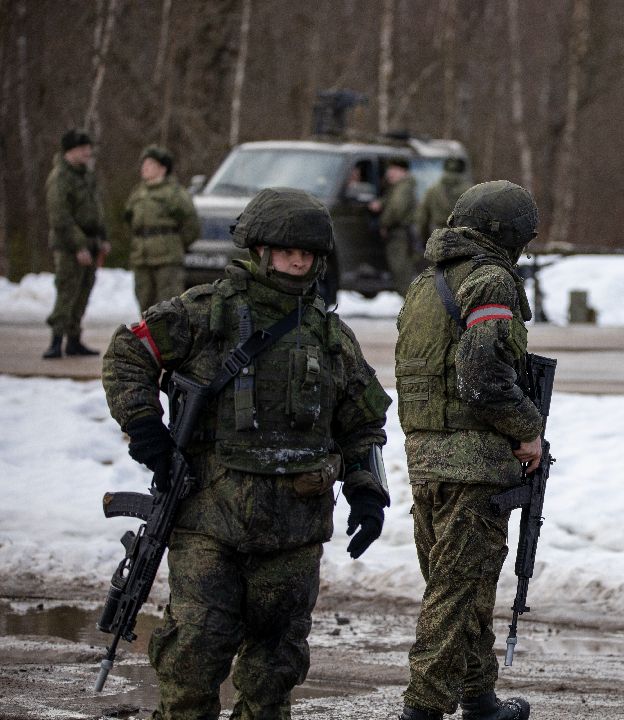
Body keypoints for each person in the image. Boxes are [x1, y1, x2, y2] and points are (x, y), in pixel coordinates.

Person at [101, 187, 392, 719]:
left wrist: (367, 492)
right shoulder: (208, 312)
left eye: (307, 253)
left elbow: (363, 423)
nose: (298, 261)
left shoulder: (331, 336)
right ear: (259, 250)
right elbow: (128, 353)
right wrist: (146, 428)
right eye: (287, 251)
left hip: (295, 533)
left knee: (274, 672)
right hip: (210, 522)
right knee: (193, 658)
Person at [395, 180, 542, 720]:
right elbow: (482, 375)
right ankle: (422, 710)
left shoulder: (425, 285)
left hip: (427, 459)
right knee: (455, 598)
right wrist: (527, 429)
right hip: (474, 465)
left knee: (462, 586)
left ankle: (479, 698)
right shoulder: (491, 281)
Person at [43, 128, 111, 358]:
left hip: (91, 242)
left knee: (83, 293)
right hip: (69, 246)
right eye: (82, 149)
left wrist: (103, 237)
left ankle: (73, 340)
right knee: (67, 292)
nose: (87, 152)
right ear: (69, 152)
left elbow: (95, 210)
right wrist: (79, 245)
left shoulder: (85, 175)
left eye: (88, 148)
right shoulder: (60, 177)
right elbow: (60, 217)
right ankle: (56, 341)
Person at [123, 145, 199, 312]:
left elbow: (191, 225)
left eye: (150, 164)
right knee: (144, 304)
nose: (145, 168)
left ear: (163, 168)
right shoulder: (138, 192)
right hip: (142, 258)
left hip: (167, 259)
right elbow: (130, 222)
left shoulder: (174, 193)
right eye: (144, 164)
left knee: (168, 306)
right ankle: (148, 337)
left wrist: (175, 244)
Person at [369, 156, 418, 296]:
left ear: (402, 171)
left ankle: (411, 305)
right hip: (400, 233)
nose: (389, 174)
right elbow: (392, 201)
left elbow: (397, 208)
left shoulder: (403, 187)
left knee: (401, 272)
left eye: (393, 170)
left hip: (399, 234)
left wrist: (383, 223)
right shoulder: (400, 187)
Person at [415, 157, 471, 241]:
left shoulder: (433, 190)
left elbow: (422, 219)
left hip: (438, 236)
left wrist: (424, 240)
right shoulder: (470, 191)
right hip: (462, 238)